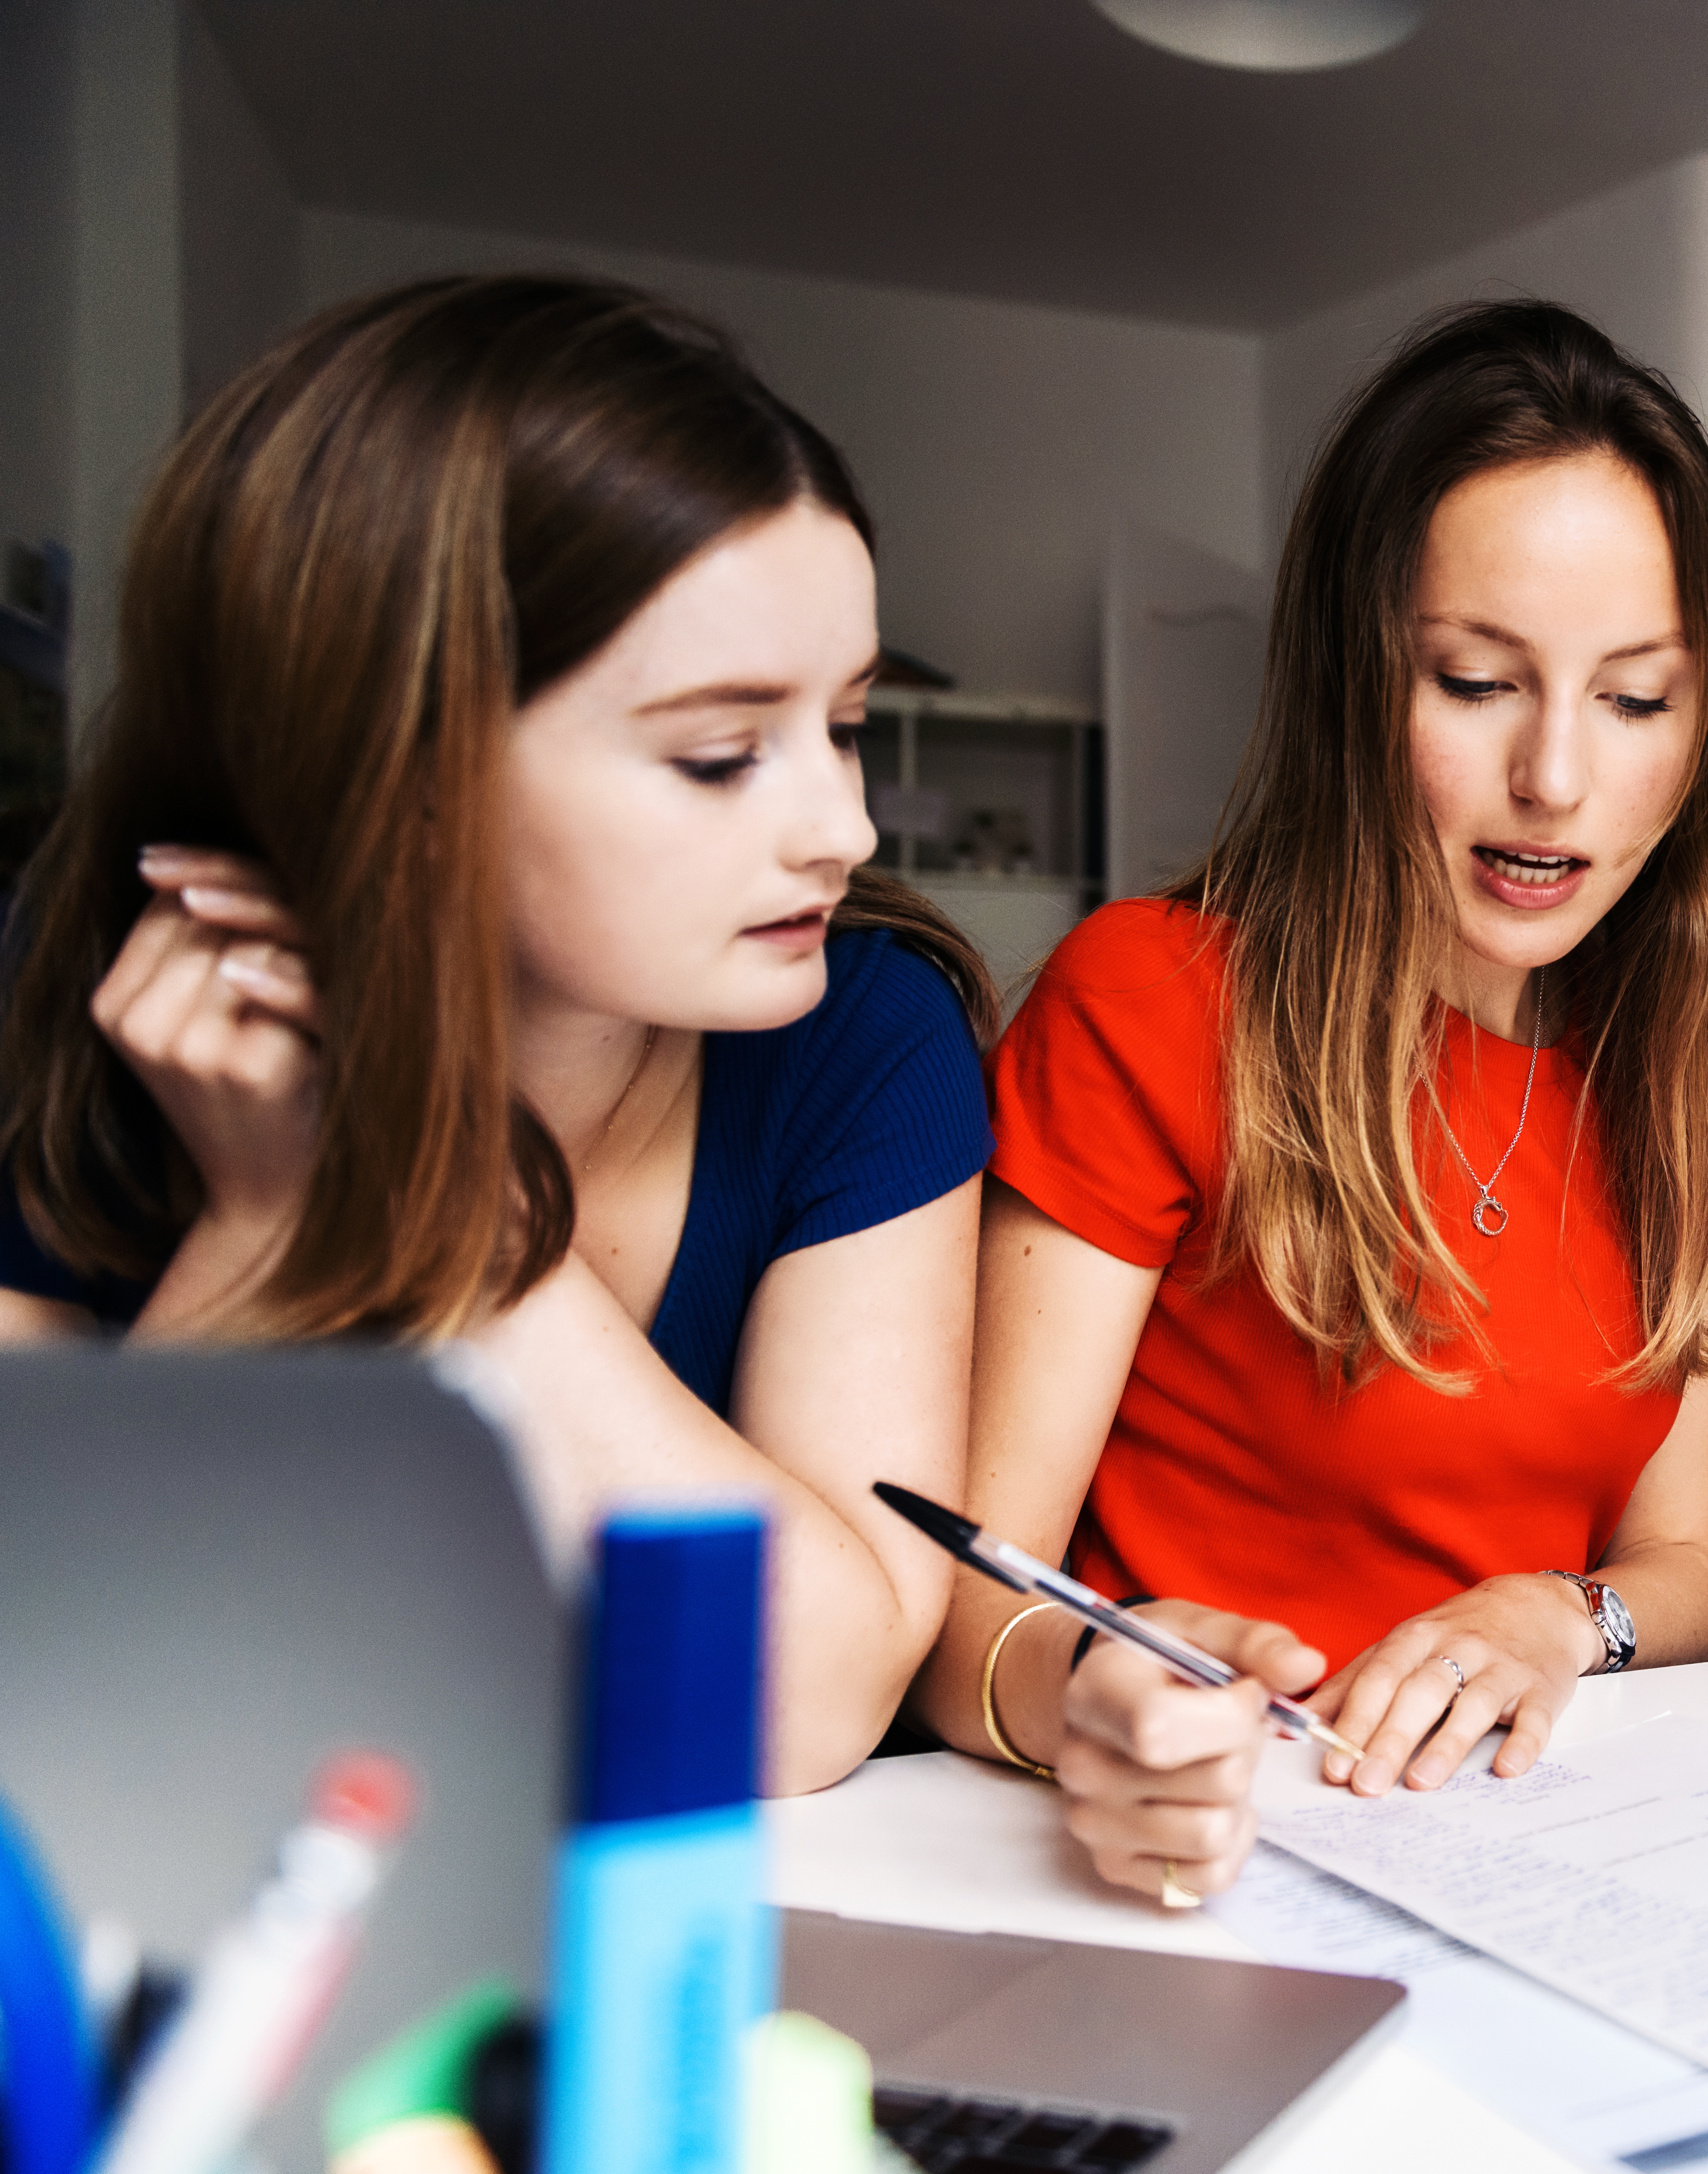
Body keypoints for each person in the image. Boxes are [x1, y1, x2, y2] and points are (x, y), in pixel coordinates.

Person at [0, 276, 995, 1791]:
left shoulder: (865, 1030)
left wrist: (439, 1206)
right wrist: (269, 1228)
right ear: (389, 767)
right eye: (724, 755)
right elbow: (57, 1699)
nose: (843, 828)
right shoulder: (60, 1005)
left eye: (845, 725)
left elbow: (810, 1703)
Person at [916, 300, 1708, 1904]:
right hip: (1212, 1847)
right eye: (1474, 680)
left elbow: (1689, 1571)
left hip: (1540, 1857)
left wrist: (1558, 1614)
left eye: (1639, 698)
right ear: (1350, 688)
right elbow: (971, 1604)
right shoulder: (1152, 999)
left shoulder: (1673, 1081)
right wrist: (1090, 1701)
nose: (1559, 780)